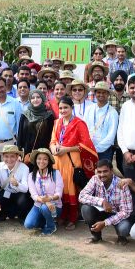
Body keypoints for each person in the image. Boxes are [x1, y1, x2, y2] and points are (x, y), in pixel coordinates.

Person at [50, 96, 98, 230]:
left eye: (66, 107)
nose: (63, 110)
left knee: (71, 188)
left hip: (72, 160)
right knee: (60, 187)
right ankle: (62, 215)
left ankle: (72, 218)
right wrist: (53, 148)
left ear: (72, 108)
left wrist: (66, 149)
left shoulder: (79, 123)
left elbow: (85, 145)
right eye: (60, 108)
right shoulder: (56, 123)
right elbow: (53, 141)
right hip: (58, 161)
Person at [78, 161, 133, 244]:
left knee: (124, 228)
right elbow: (81, 196)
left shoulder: (122, 184)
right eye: (99, 172)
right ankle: (96, 236)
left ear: (111, 171)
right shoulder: (95, 179)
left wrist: (105, 223)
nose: (102, 175)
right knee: (86, 209)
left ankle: (122, 237)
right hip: (101, 210)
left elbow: (126, 212)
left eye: (105, 171)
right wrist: (102, 201)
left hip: (117, 213)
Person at [23, 148, 63, 236]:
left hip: (54, 206)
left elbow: (59, 194)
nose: (42, 161)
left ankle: (51, 227)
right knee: (28, 225)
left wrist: (50, 199)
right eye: (39, 158)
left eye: (45, 159)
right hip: (38, 205)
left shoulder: (56, 173)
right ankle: (48, 221)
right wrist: (46, 201)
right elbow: (34, 195)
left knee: (45, 208)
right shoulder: (31, 175)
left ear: (49, 161)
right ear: (36, 160)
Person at [0, 144, 31, 221]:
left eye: (12, 156)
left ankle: (21, 215)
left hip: (19, 193)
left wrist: (17, 184)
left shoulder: (24, 168)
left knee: (23, 201)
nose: (9, 159)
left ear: (17, 156)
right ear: (2, 157)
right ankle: (4, 213)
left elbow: (25, 188)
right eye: (6, 156)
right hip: (6, 192)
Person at [85, 82, 118, 169]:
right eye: (98, 92)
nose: (101, 95)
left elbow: (111, 135)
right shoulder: (89, 109)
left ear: (108, 94)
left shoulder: (113, 112)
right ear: (95, 94)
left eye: (104, 92)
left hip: (105, 151)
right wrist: (89, 147)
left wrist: (97, 148)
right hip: (89, 149)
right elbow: (84, 129)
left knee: (104, 176)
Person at [18, 89, 55, 164]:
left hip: (43, 154)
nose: (35, 100)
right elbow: (20, 135)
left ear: (42, 98)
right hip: (28, 153)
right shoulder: (25, 115)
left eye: (38, 97)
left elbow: (51, 136)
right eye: (33, 98)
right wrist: (19, 153)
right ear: (30, 100)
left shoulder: (49, 116)